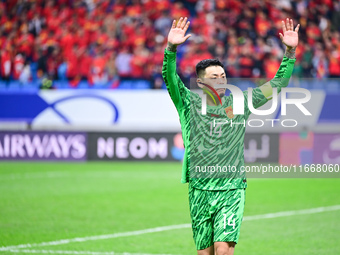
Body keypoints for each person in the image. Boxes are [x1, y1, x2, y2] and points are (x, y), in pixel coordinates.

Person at [162, 17, 299, 255]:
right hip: (199, 188)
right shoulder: (187, 102)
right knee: (205, 253)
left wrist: (289, 52)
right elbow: (170, 78)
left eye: (223, 76)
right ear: (201, 82)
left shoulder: (241, 102)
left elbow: (277, 84)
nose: (220, 80)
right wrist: (171, 49)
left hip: (231, 187)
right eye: (214, 77)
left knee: (223, 250)